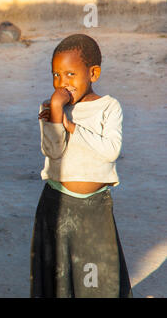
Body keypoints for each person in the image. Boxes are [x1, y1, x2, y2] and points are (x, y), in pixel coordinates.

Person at [31, 34, 132, 297]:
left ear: (93, 73)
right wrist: (55, 113)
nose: (62, 83)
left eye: (70, 74)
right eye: (56, 75)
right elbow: (53, 151)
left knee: (98, 277)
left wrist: (71, 125)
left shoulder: (109, 107)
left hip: (95, 209)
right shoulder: (51, 108)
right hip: (57, 205)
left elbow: (110, 151)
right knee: (59, 279)